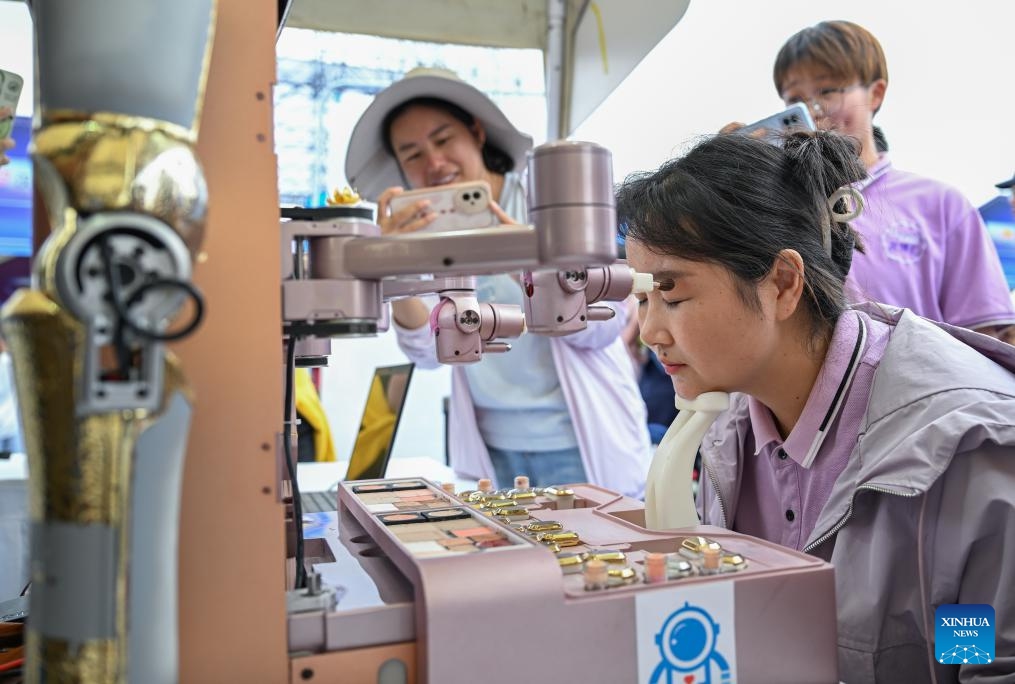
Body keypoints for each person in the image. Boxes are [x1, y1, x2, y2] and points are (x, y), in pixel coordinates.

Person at [617, 130, 1015, 682]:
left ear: (782, 282)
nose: (651, 332)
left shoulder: (967, 447)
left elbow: (967, 652)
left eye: (673, 295)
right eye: (642, 299)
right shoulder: (729, 425)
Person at [345, 68, 651, 496]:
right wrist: (394, 265)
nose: (433, 163)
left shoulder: (547, 198)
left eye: (443, 138)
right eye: (411, 154)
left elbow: (603, 328)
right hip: (492, 450)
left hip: (580, 445)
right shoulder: (425, 231)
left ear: (476, 132)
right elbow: (428, 353)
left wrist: (522, 257)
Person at [736, 21, 1015, 340]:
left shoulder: (939, 202)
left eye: (828, 90)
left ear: (876, 93)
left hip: (922, 386)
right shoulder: (775, 206)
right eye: (795, 99)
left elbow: (985, 333)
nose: (813, 109)